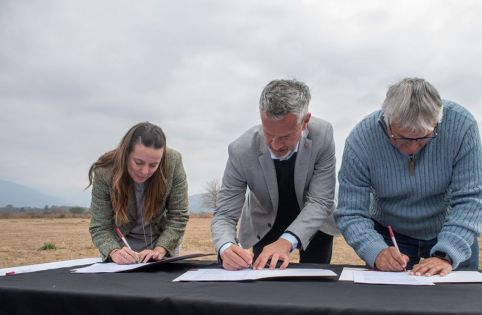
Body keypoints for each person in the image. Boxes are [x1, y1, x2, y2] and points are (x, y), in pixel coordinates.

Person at [335, 77, 482, 277]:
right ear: (387, 121)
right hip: (390, 235)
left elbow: (471, 198)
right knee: (391, 304)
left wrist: (447, 253)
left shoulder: (462, 126)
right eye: (402, 138)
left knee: (461, 303)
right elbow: (351, 211)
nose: (413, 147)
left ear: (438, 122)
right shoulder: (361, 139)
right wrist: (375, 250)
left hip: (450, 229)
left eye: (424, 137)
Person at [211, 79, 338, 270]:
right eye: (268, 133)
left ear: (305, 122)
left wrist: (286, 242)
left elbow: (320, 201)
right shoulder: (240, 150)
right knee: (263, 282)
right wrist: (226, 247)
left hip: (315, 223)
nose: (276, 145)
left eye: (285, 136)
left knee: (313, 287)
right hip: (264, 224)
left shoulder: (323, 135)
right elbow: (225, 214)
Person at [88, 122, 189, 264]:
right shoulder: (105, 170)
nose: (145, 171)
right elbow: (100, 226)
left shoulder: (173, 161)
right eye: (138, 162)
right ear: (126, 153)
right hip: (122, 249)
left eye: (153, 165)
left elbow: (178, 215)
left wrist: (160, 250)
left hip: (162, 246)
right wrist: (114, 251)